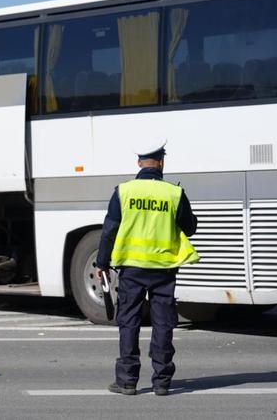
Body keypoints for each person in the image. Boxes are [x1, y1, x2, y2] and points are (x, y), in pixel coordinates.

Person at [95, 139, 199, 397]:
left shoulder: (123, 191)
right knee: (164, 324)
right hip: (163, 269)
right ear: (162, 162)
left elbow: (110, 230)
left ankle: (127, 381)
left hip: (131, 269)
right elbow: (190, 228)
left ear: (139, 162)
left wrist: (102, 262)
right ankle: (162, 381)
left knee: (128, 322)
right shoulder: (174, 193)